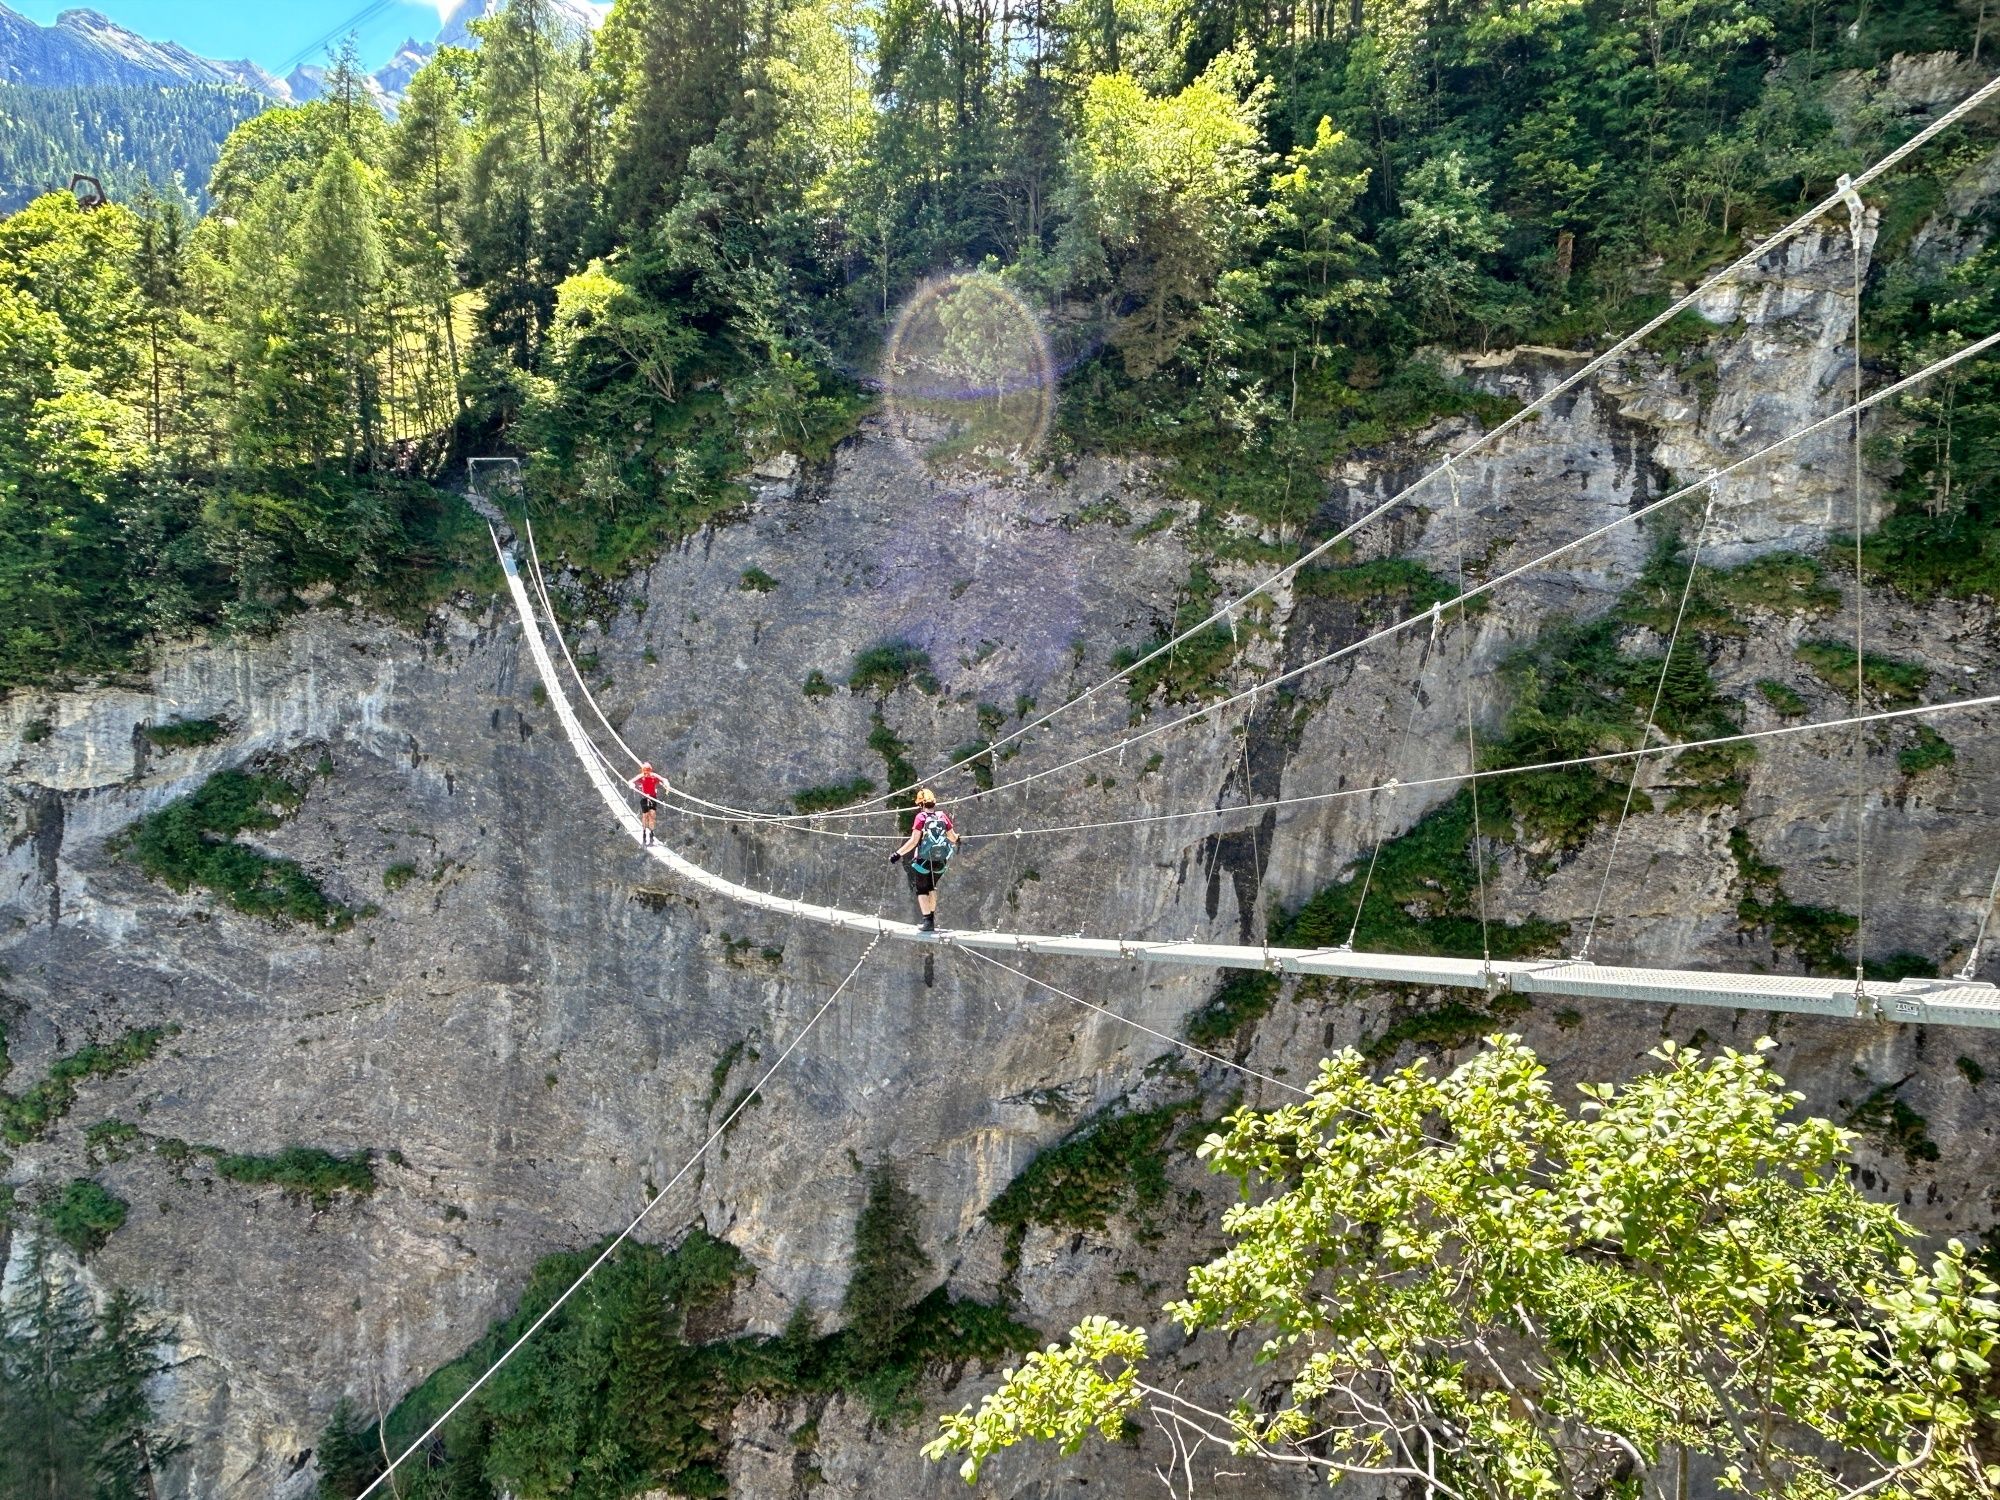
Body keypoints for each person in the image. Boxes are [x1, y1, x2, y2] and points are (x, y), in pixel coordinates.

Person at [890, 788, 959, 933]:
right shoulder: (942, 816)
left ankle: (927, 921)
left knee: (922, 890)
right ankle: (931, 918)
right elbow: (953, 838)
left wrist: (898, 853)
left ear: (920, 804)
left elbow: (914, 841)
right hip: (940, 861)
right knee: (932, 887)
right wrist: (959, 838)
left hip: (923, 861)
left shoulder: (921, 817)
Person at [630, 761, 667, 846]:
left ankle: (651, 834)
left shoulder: (654, 776)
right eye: (645, 772)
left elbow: (663, 779)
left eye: (647, 771)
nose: (646, 773)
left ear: (650, 771)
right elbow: (631, 781)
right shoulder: (641, 776)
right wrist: (632, 785)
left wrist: (666, 784)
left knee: (652, 815)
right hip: (644, 797)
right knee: (645, 815)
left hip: (653, 798)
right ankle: (644, 834)